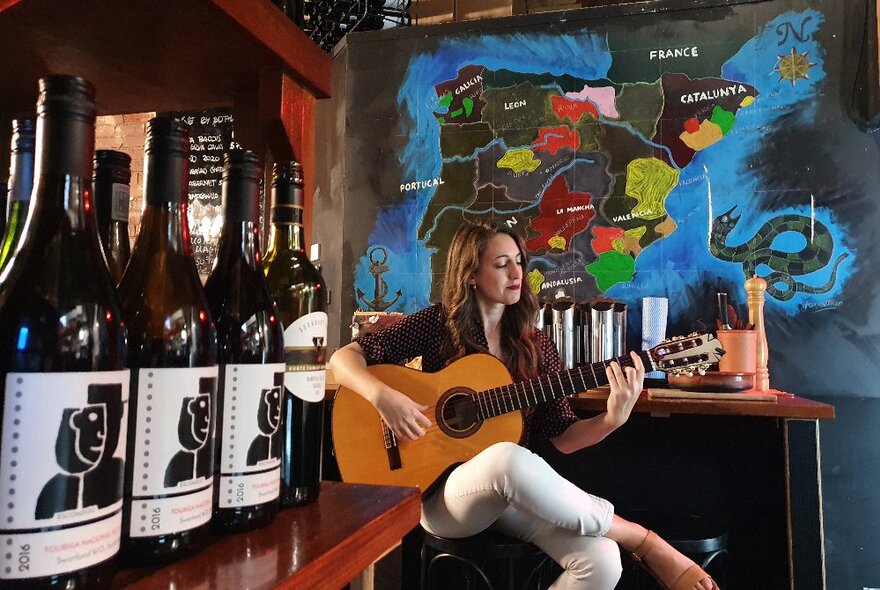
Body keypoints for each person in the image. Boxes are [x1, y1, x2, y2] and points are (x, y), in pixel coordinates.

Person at [329, 222, 718, 590]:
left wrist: (612, 420)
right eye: (501, 264)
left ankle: (625, 542)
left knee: (603, 560)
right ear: (471, 274)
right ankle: (645, 540)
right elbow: (342, 360)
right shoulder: (436, 324)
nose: (516, 272)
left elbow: (562, 437)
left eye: (519, 261)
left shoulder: (537, 346)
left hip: (512, 497)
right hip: (442, 497)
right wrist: (385, 398)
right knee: (507, 459)